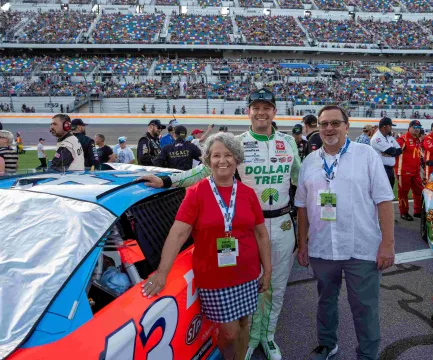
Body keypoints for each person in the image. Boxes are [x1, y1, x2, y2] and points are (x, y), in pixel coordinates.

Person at [139, 88, 301, 360]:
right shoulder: (236, 143)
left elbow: (300, 175)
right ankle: (249, 340)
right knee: (256, 284)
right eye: (256, 107)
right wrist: (167, 180)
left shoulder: (289, 141)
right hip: (247, 226)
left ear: (275, 111)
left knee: (277, 285)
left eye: (267, 108)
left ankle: (269, 336)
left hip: (282, 222)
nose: (261, 112)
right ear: (248, 111)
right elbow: (203, 171)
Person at [142, 133, 272, 360]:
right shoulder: (196, 193)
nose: (223, 161)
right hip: (215, 277)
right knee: (229, 333)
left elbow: (261, 234)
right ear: (208, 160)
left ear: (237, 159)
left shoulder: (248, 193)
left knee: (244, 322)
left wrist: (267, 270)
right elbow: (178, 233)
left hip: (248, 272)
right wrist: (162, 272)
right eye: (216, 155)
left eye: (228, 155)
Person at [295, 104, 395, 360]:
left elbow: (384, 201)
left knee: (365, 308)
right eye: (324, 123)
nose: (329, 128)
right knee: (325, 303)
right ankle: (327, 344)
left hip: (361, 247)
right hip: (322, 247)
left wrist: (388, 244)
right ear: (318, 127)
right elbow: (303, 207)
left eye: (335, 123)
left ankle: (368, 354)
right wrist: (302, 244)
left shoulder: (366, 155)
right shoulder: (310, 161)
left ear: (346, 127)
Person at [395, 120, 423, 221]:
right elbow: (394, 152)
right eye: (415, 127)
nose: (417, 130)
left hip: (415, 171)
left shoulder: (417, 140)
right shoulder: (403, 139)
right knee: (403, 192)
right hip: (404, 171)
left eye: (418, 128)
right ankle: (404, 212)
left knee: (419, 191)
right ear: (409, 127)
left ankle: (417, 211)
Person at [371, 117, 402, 188]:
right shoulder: (377, 138)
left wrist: (389, 154)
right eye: (390, 126)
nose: (391, 128)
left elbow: (399, 150)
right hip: (381, 169)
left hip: (390, 169)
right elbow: (390, 150)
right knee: (382, 192)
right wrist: (392, 152)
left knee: (389, 192)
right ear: (384, 126)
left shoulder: (389, 137)